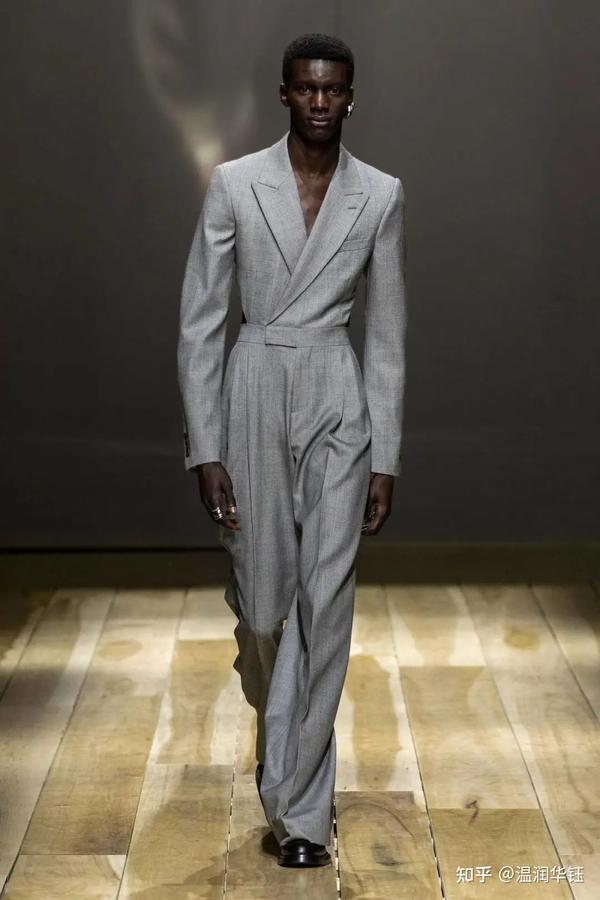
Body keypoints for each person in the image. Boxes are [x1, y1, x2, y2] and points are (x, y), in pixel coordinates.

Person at [177, 32, 408, 868]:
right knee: (263, 604)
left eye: (333, 90)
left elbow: (386, 334)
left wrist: (385, 455)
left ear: (350, 97)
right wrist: (206, 446)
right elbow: (202, 320)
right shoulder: (236, 184)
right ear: (284, 94)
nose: (319, 102)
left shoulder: (378, 195)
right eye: (306, 89)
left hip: (337, 395)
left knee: (326, 599)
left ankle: (301, 808)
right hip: (254, 388)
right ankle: (279, 726)